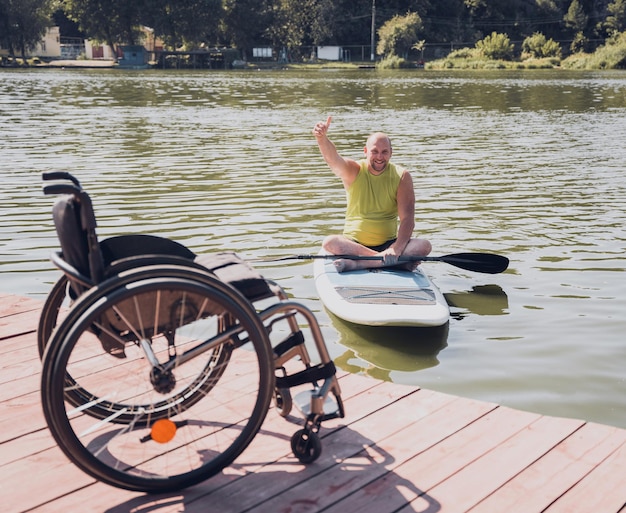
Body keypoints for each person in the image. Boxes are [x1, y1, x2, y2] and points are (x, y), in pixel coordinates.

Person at [312, 116, 432, 273]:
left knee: (424, 246)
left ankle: (360, 264)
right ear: (365, 151)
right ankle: (387, 262)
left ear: (391, 153)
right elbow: (333, 160)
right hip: (354, 245)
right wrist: (322, 138)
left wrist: (396, 248)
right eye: (374, 151)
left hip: (388, 245)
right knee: (330, 242)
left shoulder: (402, 176)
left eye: (384, 152)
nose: (380, 157)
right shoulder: (354, 170)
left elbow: (407, 219)